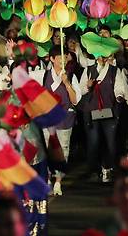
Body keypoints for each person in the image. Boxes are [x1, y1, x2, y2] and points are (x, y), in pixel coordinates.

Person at [79, 49, 128, 183]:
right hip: (92, 110)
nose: (101, 57)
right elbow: (81, 90)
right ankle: (93, 169)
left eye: (104, 55)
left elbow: (120, 87)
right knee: (93, 141)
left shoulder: (114, 70)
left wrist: (120, 96)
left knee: (111, 141)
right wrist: (88, 86)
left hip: (109, 109)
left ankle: (109, 167)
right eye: (99, 55)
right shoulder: (89, 70)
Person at [42, 46, 81, 195]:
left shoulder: (71, 76)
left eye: (65, 57)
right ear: (52, 59)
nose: (63, 60)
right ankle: (47, 179)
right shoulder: (43, 75)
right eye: (59, 57)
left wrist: (67, 83)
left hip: (64, 118)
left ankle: (58, 182)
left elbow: (75, 100)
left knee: (63, 150)